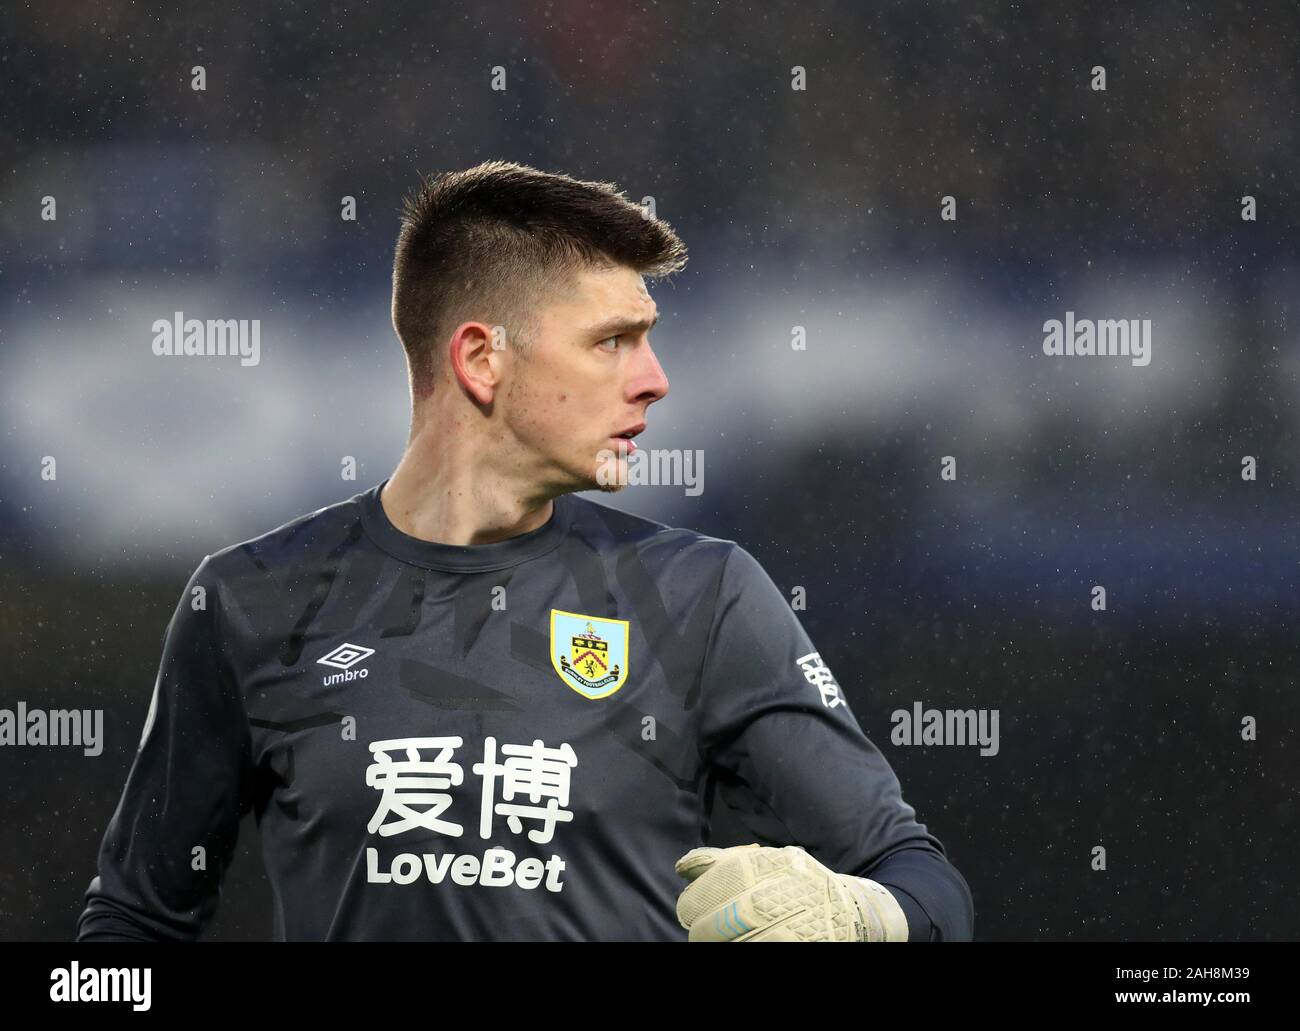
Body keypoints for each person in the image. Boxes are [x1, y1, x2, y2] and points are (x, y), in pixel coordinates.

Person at [76, 161, 974, 941]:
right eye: (613, 341)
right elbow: (134, 925)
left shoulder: (705, 598)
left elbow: (927, 885)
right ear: (481, 359)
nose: (655, 378)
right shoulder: (251, 602)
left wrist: (859, 915)